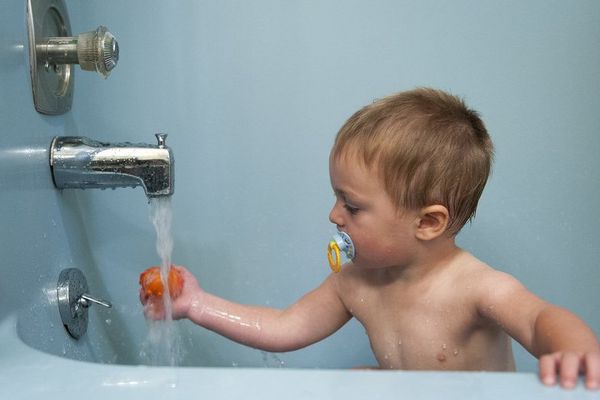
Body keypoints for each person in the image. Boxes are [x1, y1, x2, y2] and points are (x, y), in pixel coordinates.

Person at [140, 88, 600, 389]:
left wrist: (575, 350)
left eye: (352, 206)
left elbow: (541, 319)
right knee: (359, 381)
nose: (333, 214)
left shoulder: (474, 287)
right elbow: (284, 327)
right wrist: (196, 305)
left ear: (428, 223)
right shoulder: (355, 281)